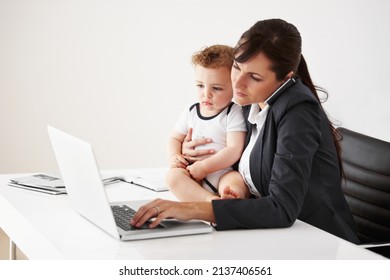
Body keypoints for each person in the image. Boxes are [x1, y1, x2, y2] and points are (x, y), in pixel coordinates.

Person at [131, 19, 360, 244]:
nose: (237, 84)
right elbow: (238, 150)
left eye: (254, 77)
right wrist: (189, 150)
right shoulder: (251, 101)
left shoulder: (297, 112)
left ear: (286, 77)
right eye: (237, 67)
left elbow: (282, 209)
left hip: (316, 243)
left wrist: (193, 209)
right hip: (269, 236)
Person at [166, 45, 249, 201]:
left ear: (234, 86)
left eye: (216, 88)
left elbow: (234, 149)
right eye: (200, 86)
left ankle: (230, 197)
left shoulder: (233, 112)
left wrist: (205, 167)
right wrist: (175, 156)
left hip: (222, 172)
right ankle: (209, 201)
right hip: (192, 171)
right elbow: (174, 138)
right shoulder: (190, 111)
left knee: (235, 181)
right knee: (173, 177)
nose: (206, 94)